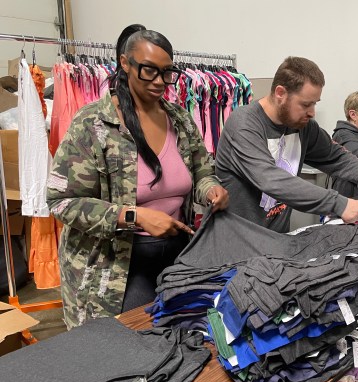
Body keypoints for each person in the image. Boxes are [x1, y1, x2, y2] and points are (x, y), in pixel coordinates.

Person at [47, 25, 229, 328]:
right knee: (128, 343)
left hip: (176, 253)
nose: (160, 81)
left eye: (167, 72)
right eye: (149, 71)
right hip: (115, 267)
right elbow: (62, 202)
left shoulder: (179, 119)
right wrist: (135, 216)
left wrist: (211, 189)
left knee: (185, 334)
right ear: (125, 63)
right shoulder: (93, 125)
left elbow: (201, 173)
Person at [215, 56, 358, 233]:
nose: (312, 113)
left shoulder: (303, 126)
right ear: (280, 93)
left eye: (315, 104)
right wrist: (338, 203)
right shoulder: (244, 124)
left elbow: (337, 156)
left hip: (275, 242)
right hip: (236, 246)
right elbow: (270, 179)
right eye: (305, 104)